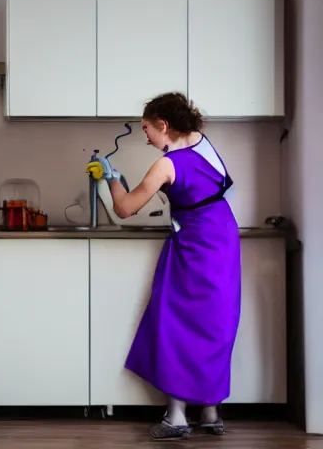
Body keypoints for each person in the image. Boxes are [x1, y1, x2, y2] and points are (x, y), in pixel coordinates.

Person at [85, 92, 241, 440]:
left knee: (174, 322)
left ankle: (177, 418)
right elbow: (198, 189)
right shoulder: (204, 145)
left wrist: (110, 178)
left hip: (194, 246)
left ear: (163, 125)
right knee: (216, 322)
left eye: (146, 129)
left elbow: (125, 208)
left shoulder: (165, 165)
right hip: (223, 241)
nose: (145, 136)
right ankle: (211, 411)